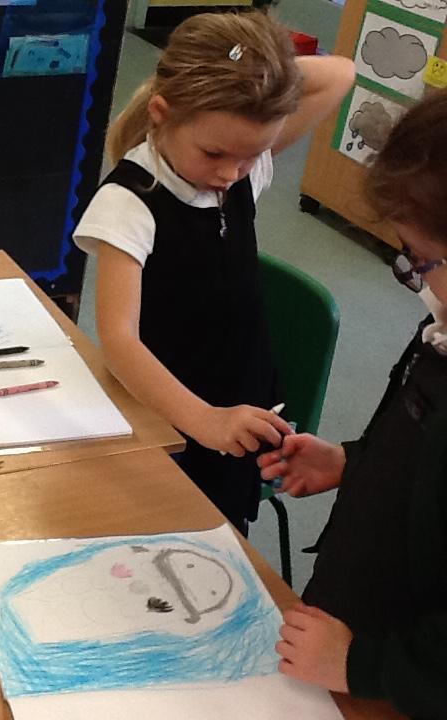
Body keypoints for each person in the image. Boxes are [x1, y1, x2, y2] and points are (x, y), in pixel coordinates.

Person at [72, 11, 355, 533]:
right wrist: (204, 420)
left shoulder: (237, 162)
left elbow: (342, 73)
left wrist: (258, 69)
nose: (230, 174)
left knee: (220, 541)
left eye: (250, 156)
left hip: (241, 408)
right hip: (167, 417)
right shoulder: (129, 203)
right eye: (214, 153)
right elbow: (118, 340)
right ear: (161, 113)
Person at [260, 90, 447, 718]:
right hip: (347, 641)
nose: (418, 282)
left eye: (421, 261)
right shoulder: (443, 330)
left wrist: (359, 664)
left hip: (394, 684)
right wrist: (353, 462)